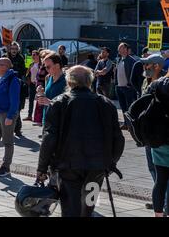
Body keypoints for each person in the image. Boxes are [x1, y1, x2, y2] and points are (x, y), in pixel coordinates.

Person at [36, 66, 125, 217]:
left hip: (68, 167)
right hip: (96, 168)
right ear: (90, 82)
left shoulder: (59, 103)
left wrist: (42, 168)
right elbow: (118, 138)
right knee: (88, 207)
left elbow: (49, 138)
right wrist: (110, 163)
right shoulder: (106, 103)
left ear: (69, 82)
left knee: (71, 208)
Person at [139, 54, 168, 213]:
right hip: (150, 136)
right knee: (155, 171)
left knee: (162, 176)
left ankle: (163, 206)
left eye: (148, 64)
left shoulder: (160, 84)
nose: (145, 67)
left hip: (159, 137)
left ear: (157, 66)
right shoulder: (147, 82)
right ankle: (161, 203)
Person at [37, 53, 67, 135]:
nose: (46, 69)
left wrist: (50, 102)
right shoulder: (48, 77)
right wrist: (41, 93)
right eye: (45, 67)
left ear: (57, 66)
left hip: (60, 123)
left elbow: (69, 104)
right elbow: (47, 98)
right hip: (47, 120)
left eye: (48, 67)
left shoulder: (67, 81)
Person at [115, 43, 137, 130]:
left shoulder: (131, 61)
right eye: (119, 48)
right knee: (123, 107)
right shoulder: (119, 60)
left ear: (126, 49)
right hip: (119, 87)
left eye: (121, 48)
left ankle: (131, 125)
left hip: (128, 88)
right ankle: (125, 123)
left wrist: (130, 84)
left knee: (129, 107)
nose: (119, 49)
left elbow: (134, 74)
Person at [24, 50, 40, 122]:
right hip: (32, 84)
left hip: (39, 84)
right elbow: (27, 73)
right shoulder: (31, 64)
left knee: (39, 100)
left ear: (38, 56)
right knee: (31, 100)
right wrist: (28, 80)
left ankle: (39, 117)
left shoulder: (41, 64)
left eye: (34, 55)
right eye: (32, 55)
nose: (32, 56)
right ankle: (29, 115)